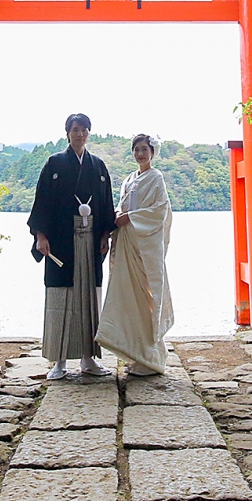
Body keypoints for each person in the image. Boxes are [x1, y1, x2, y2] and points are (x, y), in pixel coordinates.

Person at [27, 113, 116, 380]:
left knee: (88, 297)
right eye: (75, 129)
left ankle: (89, 358)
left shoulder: (98, 166)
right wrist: (41, 236)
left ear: (89, 133)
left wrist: (105, 235)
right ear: (67, 132)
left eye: (84, 130)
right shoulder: (55, 163)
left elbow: (105, 203)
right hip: (61, 239)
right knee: (60, 298)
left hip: (90, 239)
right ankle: (59, 360)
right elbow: (42, 200)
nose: (80, 134)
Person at [95, 134, 174, 376]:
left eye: (144, 149)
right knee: (126, 296)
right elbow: (122, 207)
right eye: (136, 150)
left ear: (152, 152)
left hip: (144, 245)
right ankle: (133, 351)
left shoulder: (156, 177)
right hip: (127, 241)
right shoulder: (129, 179)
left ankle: (150, 355)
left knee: (145, 298)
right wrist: (116, 222)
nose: (140, 154)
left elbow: (160, 209)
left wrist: (130, 217)